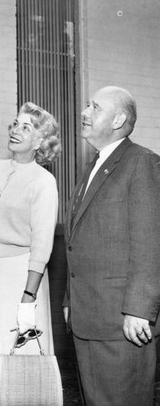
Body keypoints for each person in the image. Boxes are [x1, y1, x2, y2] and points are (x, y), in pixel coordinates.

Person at [64, 86, 160, 406]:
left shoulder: (142, 162)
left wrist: (138, 309)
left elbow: (150, 240)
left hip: (122, 325)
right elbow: (80, 242)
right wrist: (70, 299)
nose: (84, 112)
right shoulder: (94, 165)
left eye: (95, 107)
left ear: (118, 119)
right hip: (89, 318)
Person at [0, 102, 61, 405]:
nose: (15, 130)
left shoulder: (43, 182)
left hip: (22, 275)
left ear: (41, 142)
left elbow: (42, 244)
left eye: (27, 127)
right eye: (14, 123)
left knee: (20, 353)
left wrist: (29, 297)